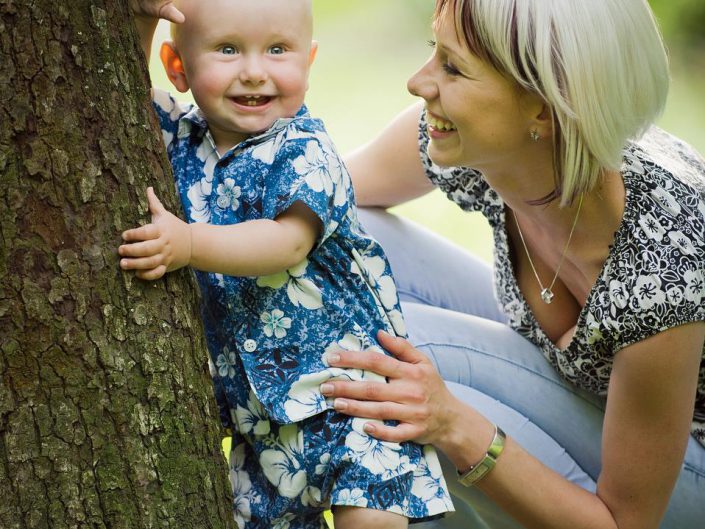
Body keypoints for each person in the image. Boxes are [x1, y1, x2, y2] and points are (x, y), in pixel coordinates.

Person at [319, 0, 705, 528]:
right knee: (330, 235)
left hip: (680, 480)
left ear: (543, 109)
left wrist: (458, 426)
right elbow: (313, 201)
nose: (418, 82)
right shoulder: (476, 142)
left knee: (393, 350)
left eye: (453, 68)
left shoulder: (666, 265)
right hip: (583, 391)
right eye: (436, 53)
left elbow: (626, 522)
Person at [121, 1, 453, 528]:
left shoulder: (306, 150)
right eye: (227, 49)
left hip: (348, 400)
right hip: (262, 429)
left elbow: (287, 243)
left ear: (308, 62)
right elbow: (117, 97)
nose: (254, 70)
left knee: (372, 517)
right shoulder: (177, 139)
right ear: (176, 66)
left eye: (277, 50)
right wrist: (141, 18)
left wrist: (187, 243)